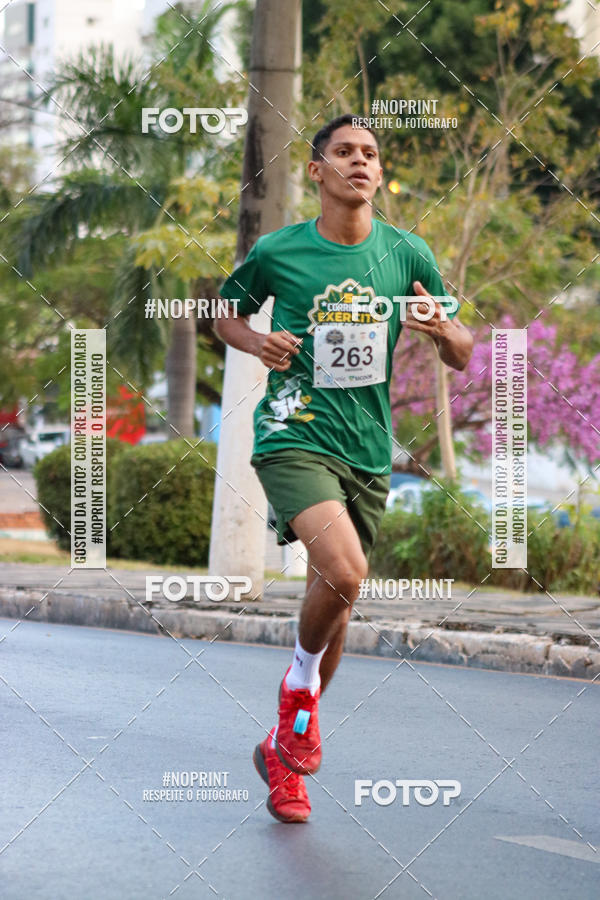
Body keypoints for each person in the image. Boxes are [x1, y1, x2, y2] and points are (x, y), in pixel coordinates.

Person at [215, 113, 473, 823]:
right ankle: (297, 694)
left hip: (367, 448)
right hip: (292, 434)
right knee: (347, 569)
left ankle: (284, 755)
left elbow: (462, 346)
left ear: (379, 174)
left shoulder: (406, 252)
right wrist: (258, 340)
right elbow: (222, 315)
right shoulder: (280, 250)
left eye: (371, 153)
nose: (361, 162)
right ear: (319, 171)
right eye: (345, 152)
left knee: (337, 605)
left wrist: (446, 329)